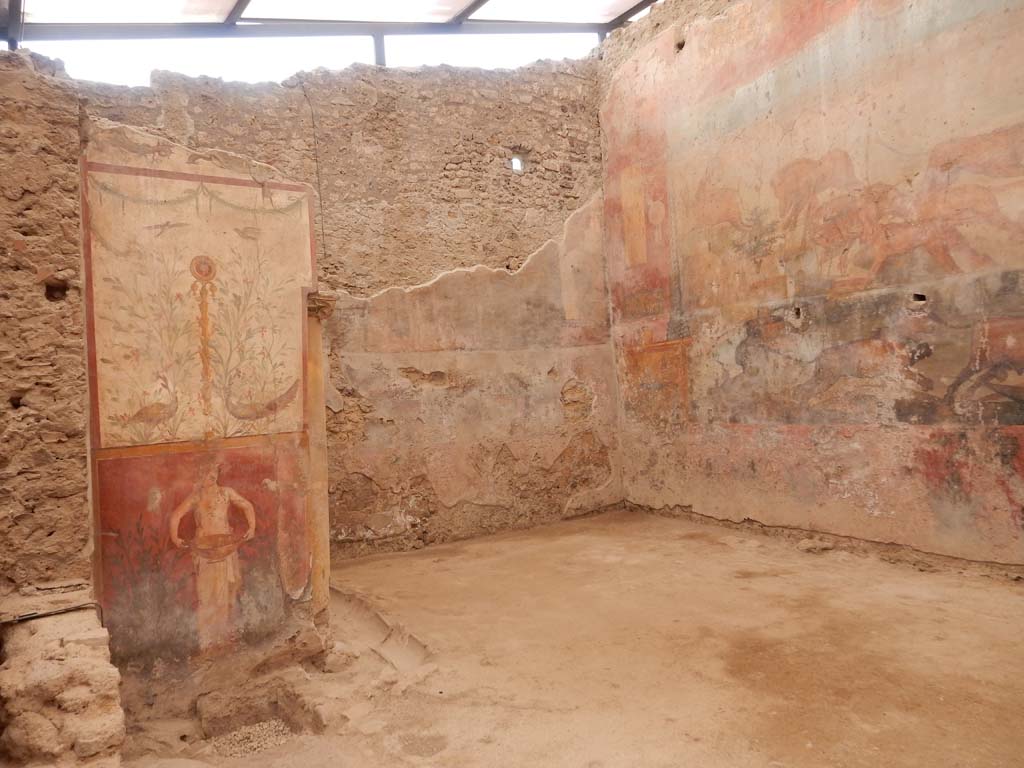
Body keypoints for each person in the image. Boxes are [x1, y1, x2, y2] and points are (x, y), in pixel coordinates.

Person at [169, 459, 256, 652]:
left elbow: (247, 506)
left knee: (225, 597)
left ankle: (223, 640)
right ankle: (207, 642)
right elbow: (176, 515)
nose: (210, 476)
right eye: (205, 473)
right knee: (206, 596)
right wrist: (175, 537)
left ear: (217, 474)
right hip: (204, 552)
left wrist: (252, 528)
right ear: (200, 475)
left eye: (213, 472)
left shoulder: (226, 493)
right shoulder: (196, 497)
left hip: (225, 549)